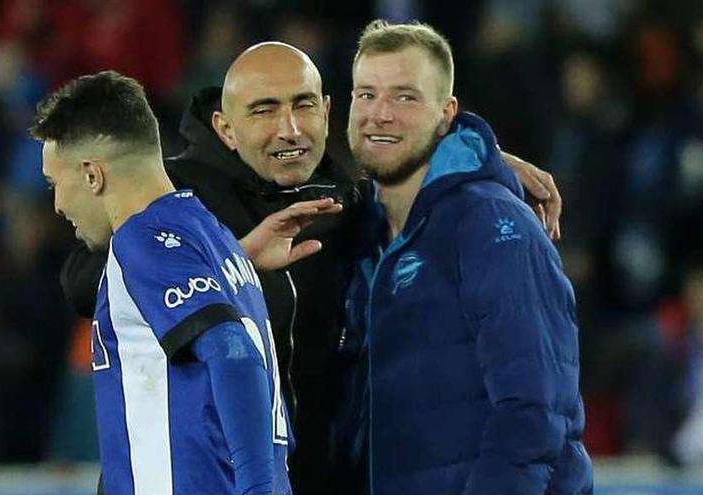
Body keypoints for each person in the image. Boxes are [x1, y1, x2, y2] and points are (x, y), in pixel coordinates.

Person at [59, 41, 565, 493]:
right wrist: (229, 262)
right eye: (264, 111)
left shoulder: (345, 206)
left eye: (303, 106)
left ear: (327, 112)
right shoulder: (180, 199)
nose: (290, 129)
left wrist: (481, 160)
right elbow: (82, 281)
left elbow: (407, 166)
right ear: (225, 128)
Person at [29, 70, 340, 495]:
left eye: (54, 184)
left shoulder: (143, 241)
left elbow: (234, 355)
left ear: (91, 175)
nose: (58, 205)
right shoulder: (212, 234)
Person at [342, 20, 593, 493]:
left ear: (446, 113)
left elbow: (534, 412)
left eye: (405, 97)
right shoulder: (360, 233)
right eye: (366, 94)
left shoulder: (492, 224)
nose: (380, 114)